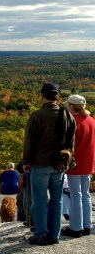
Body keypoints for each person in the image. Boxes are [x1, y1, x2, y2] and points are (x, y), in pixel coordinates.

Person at [22, 83, 76, 246]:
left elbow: (29, 142)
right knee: (57, 200)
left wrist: (26, 161)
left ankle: (40, 234)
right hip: (59, 165)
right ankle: (54, 235)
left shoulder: (37, 116)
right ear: (57, 97)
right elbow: (71, 143)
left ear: (43, 96)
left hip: (40, 164)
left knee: (39, 200)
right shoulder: (67, 116)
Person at [62, 95, 95, 238]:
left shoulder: (72, 121)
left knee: (75, 195)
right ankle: (87, 225)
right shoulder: (91, 121)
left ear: (72, 107)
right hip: (88, 162)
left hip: (75, 163)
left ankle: (75, 228)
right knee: (85, 194)